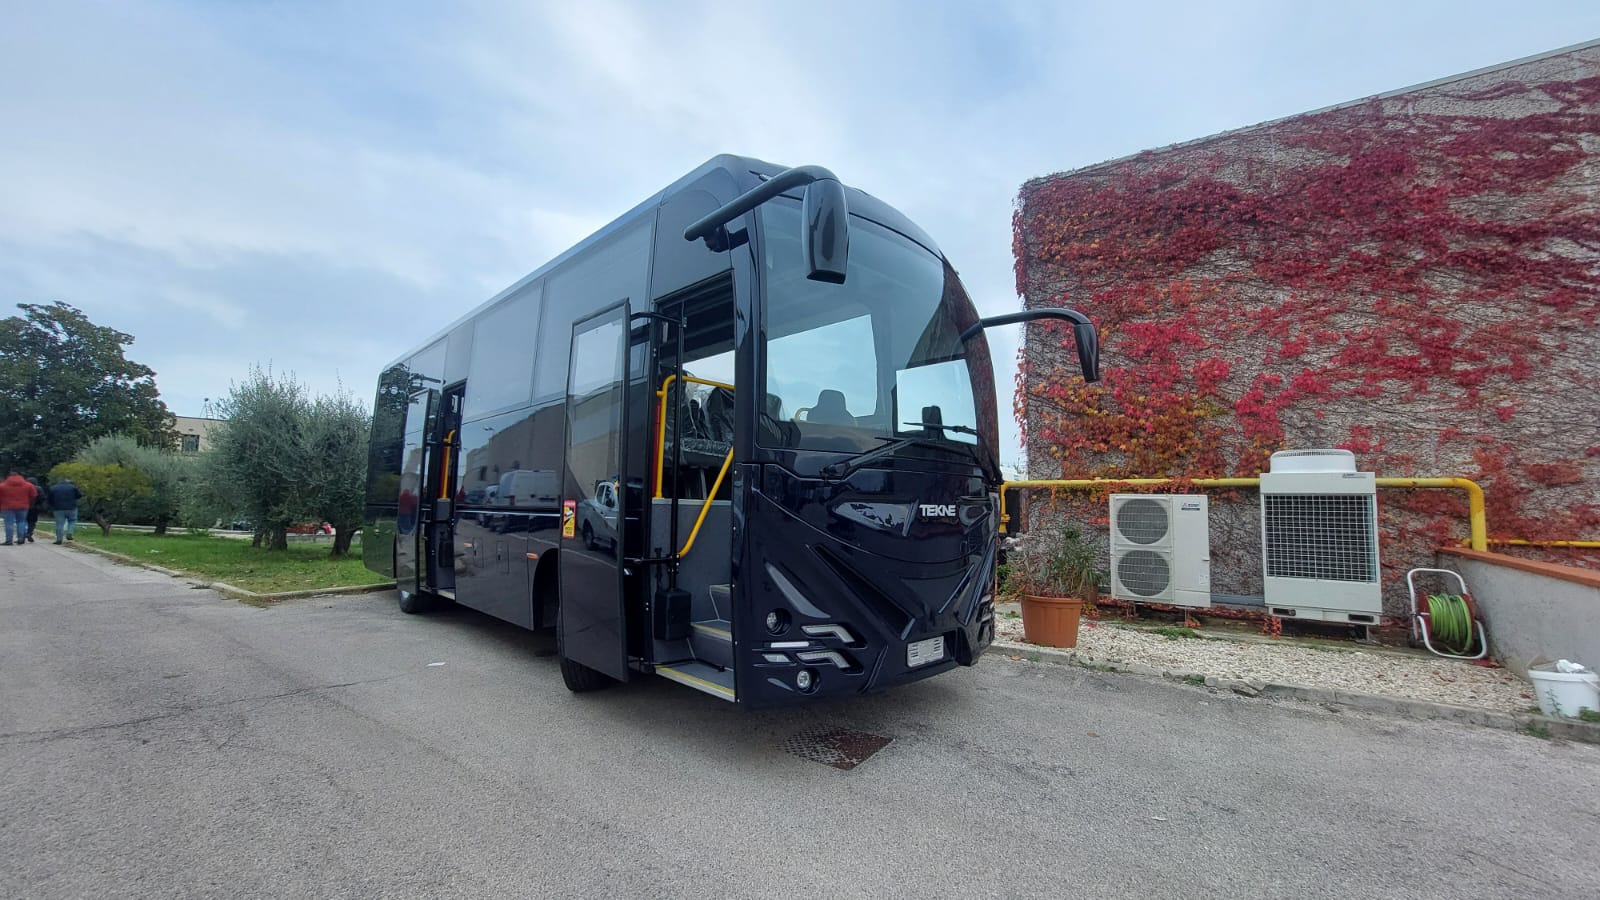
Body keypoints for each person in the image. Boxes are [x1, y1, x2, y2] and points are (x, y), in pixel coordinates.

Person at [0, 471, 38, 546]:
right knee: (21, 522)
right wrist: (29, 503)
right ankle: (21, 538)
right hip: (23, 506)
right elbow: (34, 495)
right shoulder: (28, 485)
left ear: (8, 477)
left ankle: (9, 540)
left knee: (9, 523)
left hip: (7, 507)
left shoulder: (2, 486)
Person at [48, 476, 83, 545]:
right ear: (67, 480)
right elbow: (79, 495)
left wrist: (52, 505)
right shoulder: (72, 487)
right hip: (71, 508)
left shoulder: (53, 488)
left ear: (59, 481)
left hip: (58, 509)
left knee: (59, 524)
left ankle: (59, 539)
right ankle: (69, 532)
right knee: (72, 520)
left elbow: (49, 499)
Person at [25, 476, 48, 543]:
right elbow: (42, 497)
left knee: (23, 521)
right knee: (32, 522)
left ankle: (23, 534)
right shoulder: (39, 488)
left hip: (25, 506)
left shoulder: (25, 487)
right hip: (35, 507)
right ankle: (29, 533)